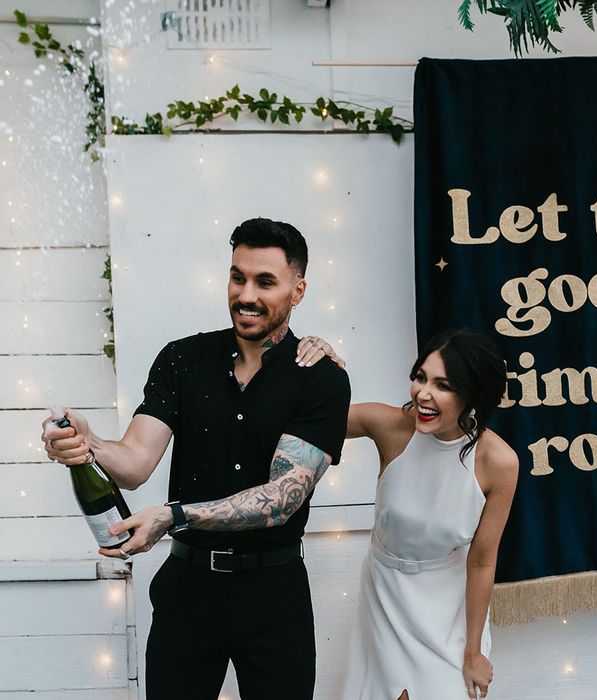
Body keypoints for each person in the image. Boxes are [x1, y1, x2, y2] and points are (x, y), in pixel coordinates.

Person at [41, 218, 351, 700]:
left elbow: (280, 500)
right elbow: (136, 463)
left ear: (298, 290)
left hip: (273, 592)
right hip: (186, 589)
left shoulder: (321, 378)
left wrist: (174, 516)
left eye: (265, 282)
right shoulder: (182, 359)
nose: (246, 294)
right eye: (237, 277)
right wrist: (89, 443)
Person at [300, 329, 518, 700]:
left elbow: (481, 563)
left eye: (443, 385)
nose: (423, 394)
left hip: (446, 606)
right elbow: (306, 417)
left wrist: (474, 651)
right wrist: (323, 369)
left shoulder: (498, 461)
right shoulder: (389, 426)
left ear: (473, 394)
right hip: (384, 594)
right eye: (420, 377)